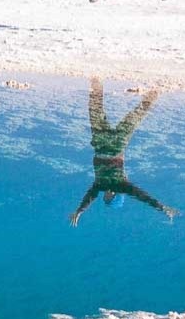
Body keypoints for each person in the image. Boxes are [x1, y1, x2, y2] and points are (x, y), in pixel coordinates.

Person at [71, 77, 178, 225]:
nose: (106, 196)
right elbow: (143, 197)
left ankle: (96, 81)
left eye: (105, 199)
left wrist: (79, 211)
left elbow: (89, 198)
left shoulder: (99, 186)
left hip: (100, 144)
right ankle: (156, 89)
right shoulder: (123, 185)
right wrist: (162, 208)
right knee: (135, 116)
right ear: (116, 196)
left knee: (95, 111)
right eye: (109, 199)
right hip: (116, 146)